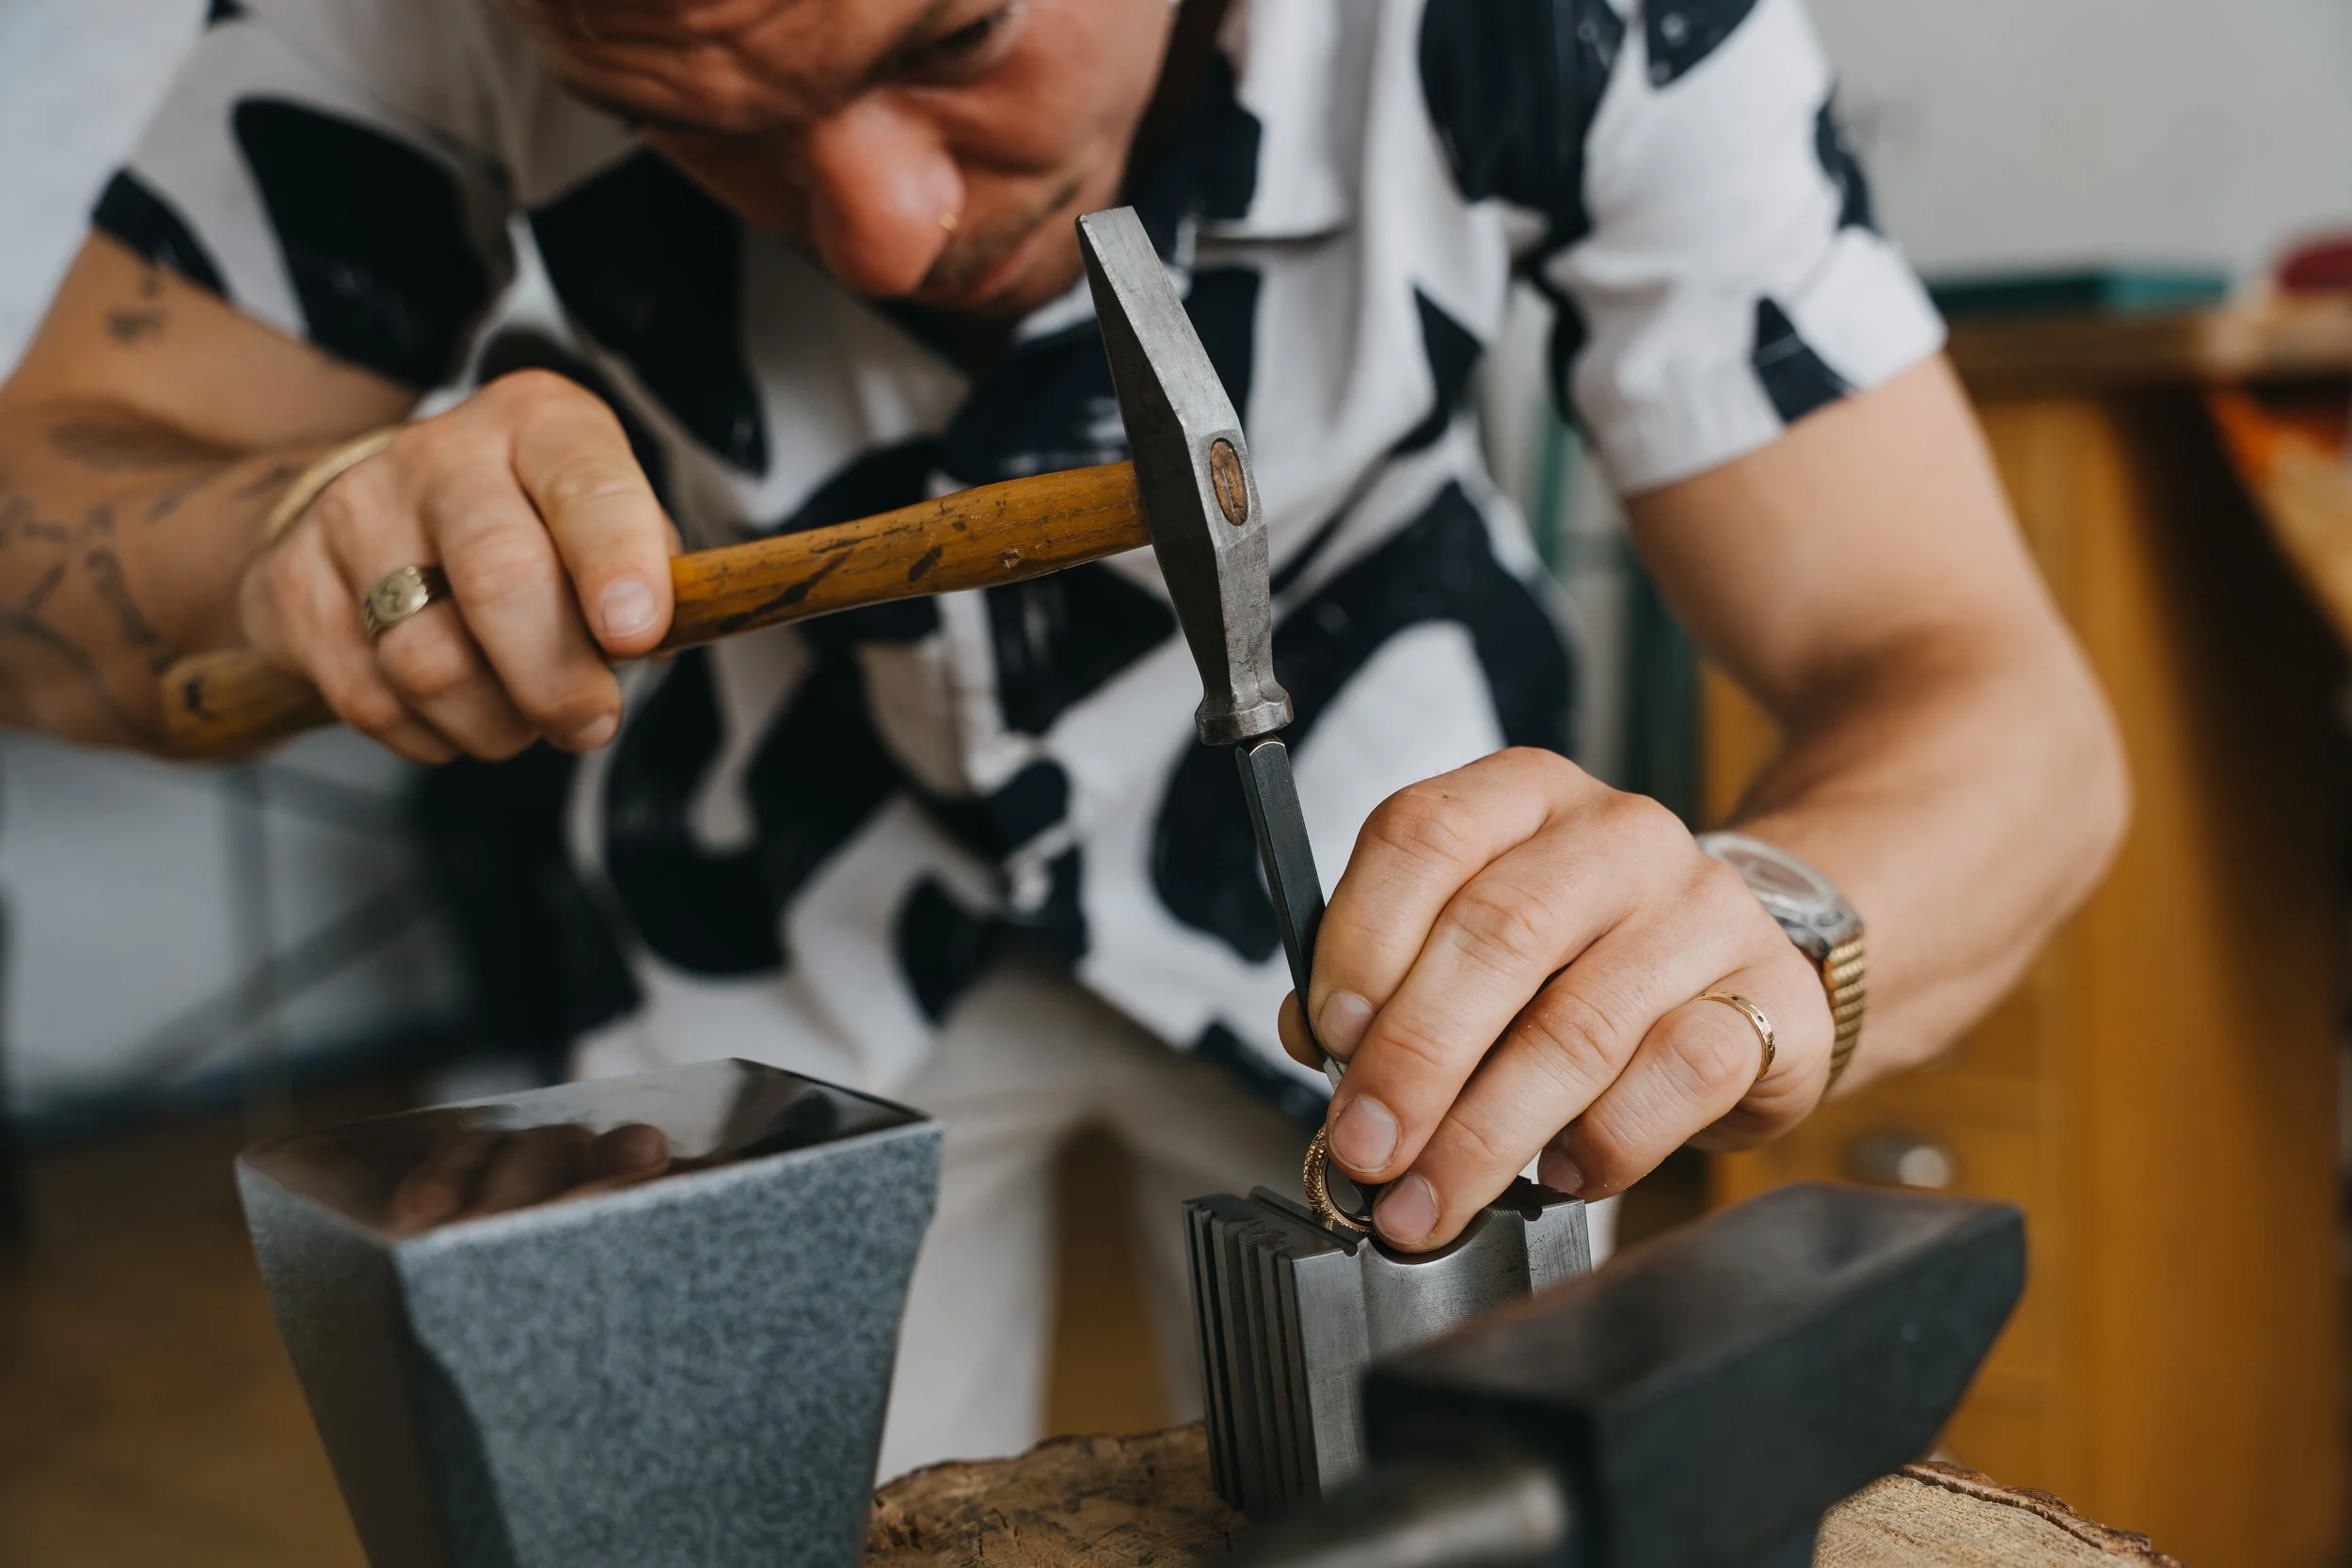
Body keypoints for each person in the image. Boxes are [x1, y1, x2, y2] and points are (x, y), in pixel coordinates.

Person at [0, 0, 2124, 1473]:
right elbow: (44, 537)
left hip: (1397, 926)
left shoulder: (1577, 25)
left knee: (1458, 1498)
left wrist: (1763, 924)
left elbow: (1985, 697)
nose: (881, 234)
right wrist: (288, 527)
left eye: (954, 40)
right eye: (699, 117)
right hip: (769, 886)